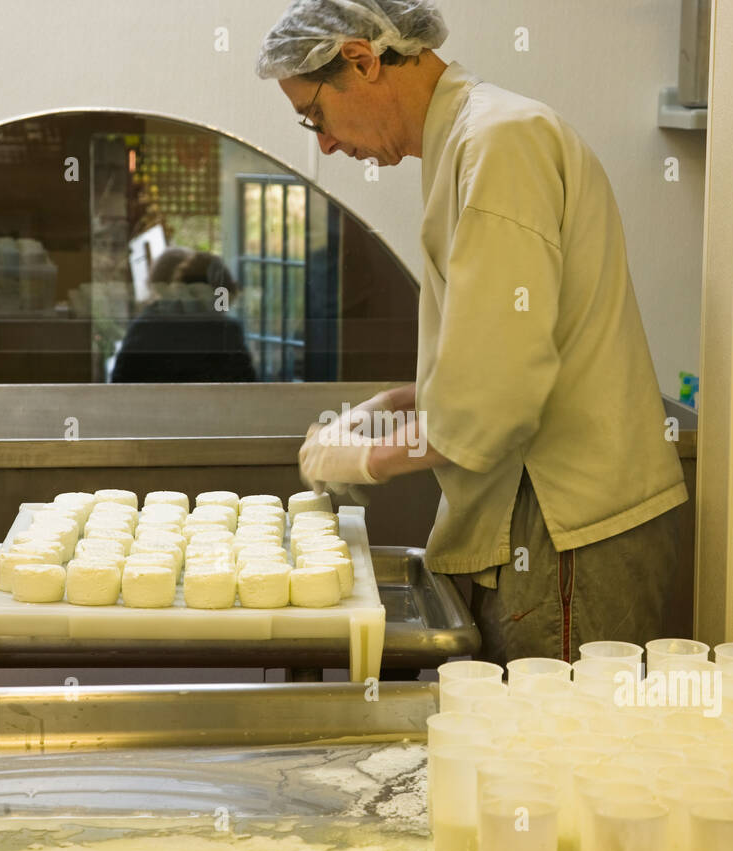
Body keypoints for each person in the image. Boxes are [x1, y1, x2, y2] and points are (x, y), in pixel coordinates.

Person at [257, 0, 688, 665]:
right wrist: (395, 406)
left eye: (314, 115)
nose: (326, 143)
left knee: (553, 753)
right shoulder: (467, 140)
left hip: (566, 526)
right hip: (536, 519)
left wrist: (369, 460)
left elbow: (495, 393)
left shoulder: (499, 141)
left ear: (362, 60)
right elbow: (494, 346)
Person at [111, 249, 256, 383]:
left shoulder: (144, 326)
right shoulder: (224, 331)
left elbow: (119, 383)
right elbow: (247, 387)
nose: (223, 309)